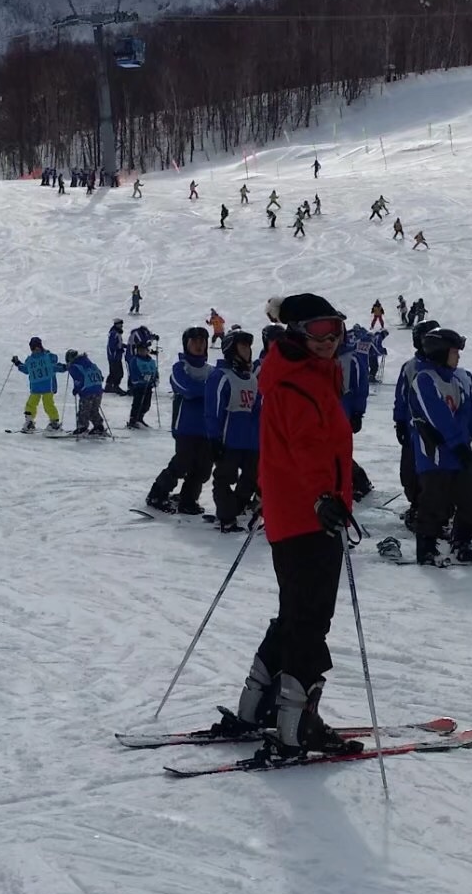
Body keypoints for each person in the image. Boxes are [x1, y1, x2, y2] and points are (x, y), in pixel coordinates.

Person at [206, 293, 362, 760]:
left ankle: (256, 706)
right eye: (317, 330)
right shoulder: (298, 383)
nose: (329, 338)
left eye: (335, 326)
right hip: (310, 517)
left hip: (297, 514)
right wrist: (323, 498)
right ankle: (297, 726)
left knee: (296, 616)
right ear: (296, 332)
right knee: (310, 620)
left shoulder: (302, 375)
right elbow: (306, 448)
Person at [408, 328, 472, 564]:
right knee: (434, 502)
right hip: (435, 456)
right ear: (441, 352)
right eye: (454, 352)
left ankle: (461, 540)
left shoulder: (455, 380)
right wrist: (457, 443)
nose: (458, 356)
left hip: (459, 451)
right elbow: (437, 416)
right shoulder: (424, 380)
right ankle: (427, 548)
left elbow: (468, 411)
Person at [146, 327, 216, 513]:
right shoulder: (180, 367)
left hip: (207, 429)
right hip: (185, 427)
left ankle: (188, 500)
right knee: (182, 463)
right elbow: (188, 389)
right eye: (194, 342)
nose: (199, 346)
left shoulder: (212, 370)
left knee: (202, 469)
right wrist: (207, 390)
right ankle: (157, 493)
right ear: (187, 345)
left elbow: (219, 392)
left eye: (202, 342)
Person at [205, 327, 260, 530]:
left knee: (251, 479)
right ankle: (227, 517)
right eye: (242, 346)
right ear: (231, 349)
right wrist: (214, 438)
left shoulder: (252, 378)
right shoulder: (221, 376)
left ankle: (234, 509)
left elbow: (258, 409)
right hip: (229, 440)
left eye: (248, 346)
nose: (247, 350)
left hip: (251, 442)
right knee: (224, 479)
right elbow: (214, 409)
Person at [12, 337, 63, 429]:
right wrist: (18, 363)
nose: (35, 350)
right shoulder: (31, 360)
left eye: (37, 347)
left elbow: (55, 364)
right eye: (33, 348)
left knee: (48, 404)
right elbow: (26, 369)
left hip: (47, 386)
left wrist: (64, 367)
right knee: (31, 403)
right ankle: (29, 421)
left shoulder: (47, 357)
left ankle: (54, 422)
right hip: (36, 387)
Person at [65, 350, 107, 435]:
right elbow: (101, 376)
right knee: (94, 409)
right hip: (98, 390)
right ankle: (98, 426)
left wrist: (76, 389)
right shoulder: (91, 364)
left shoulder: (74, 367)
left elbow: (79, 380)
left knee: (84, 410)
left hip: (87, 391)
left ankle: (82, 427)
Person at [126, 327, 158, 428]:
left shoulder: (151, 361)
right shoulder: (135, 360)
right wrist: (142, 378)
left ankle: (140, 418)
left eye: (143, 350)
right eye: (140, 350)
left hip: (148, 385)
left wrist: (155, 379)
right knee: (137, 402)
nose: (142, 352)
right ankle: (133, 419)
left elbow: (155, 371)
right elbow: (134, 372)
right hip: (139, 385)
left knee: (146, 404)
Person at [105, 319, 126, 392]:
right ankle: (115, 386)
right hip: (114, 357)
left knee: (114, 372)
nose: (121, 326)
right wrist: (120, 348)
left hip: (116, 356)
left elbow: (118, 344)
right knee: (118, 372)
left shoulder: (117, 333)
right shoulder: (114, 333)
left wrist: (124, 346)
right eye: (120, 324)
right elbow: (112, 345)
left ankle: (109, 386)